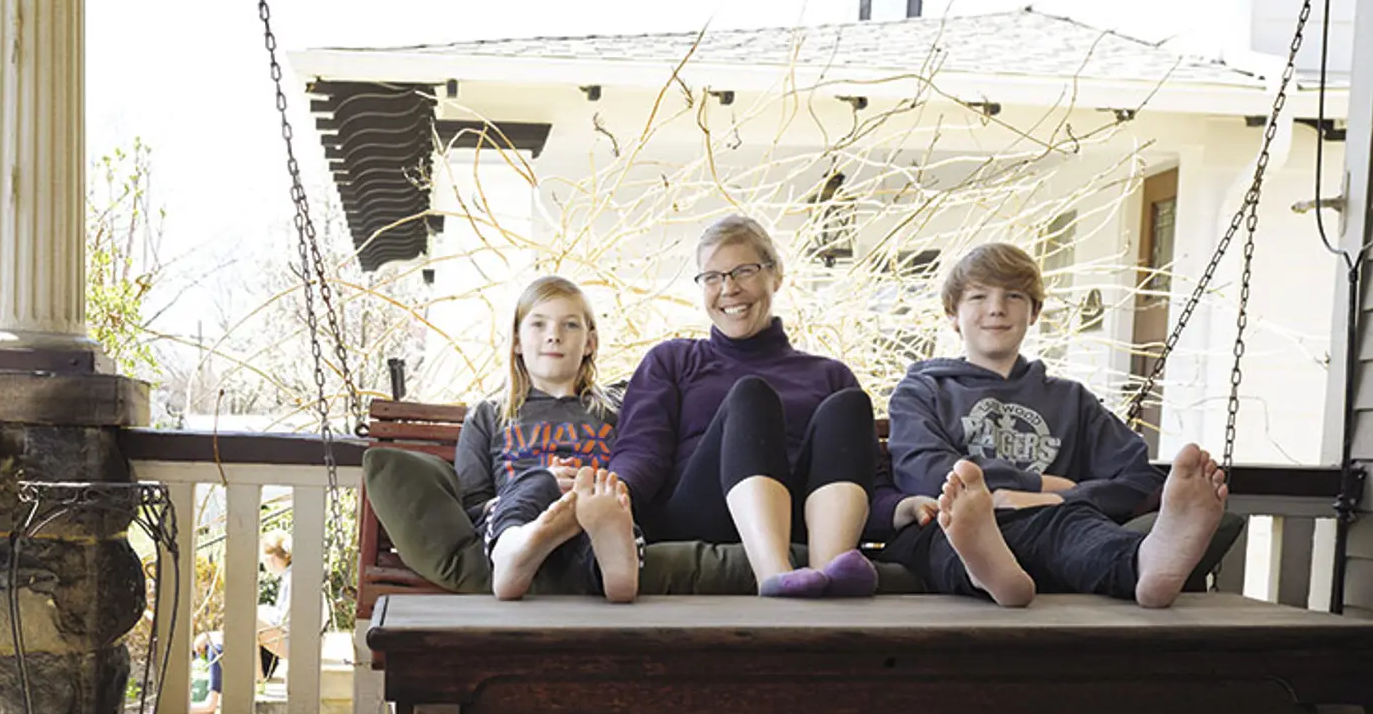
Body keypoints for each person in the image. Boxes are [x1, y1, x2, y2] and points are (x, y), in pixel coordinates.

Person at [883, 242, 1229, 608]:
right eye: (978, 297)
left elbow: (1138, 479)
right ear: (953, 314)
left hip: (1048, 523)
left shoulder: (1071, 400)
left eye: (1013, 296)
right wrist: (1032, 484)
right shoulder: (923, 391)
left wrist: (1055, 498)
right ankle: (983, 570)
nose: (997, 308)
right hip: (952, 528)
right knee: (944, 534)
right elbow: (923, 472)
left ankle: (1145, 566)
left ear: (1034, 312)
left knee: (1074, 528)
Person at [607, 213, 881, 597]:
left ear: (776, 275)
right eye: (713, 277)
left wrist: (905, 508)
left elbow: (865, 475)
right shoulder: (673, 361)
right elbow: (642, 450)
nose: (729, 288)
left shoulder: (828, 375)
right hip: (701, 512)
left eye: (744, 271)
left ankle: (829, 572)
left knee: (849, 404)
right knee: (751, 395)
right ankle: (774, 576)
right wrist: (612, 495)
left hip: (804, 517)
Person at [455, 274, 640, 602]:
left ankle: (614, 571)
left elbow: (638, 467)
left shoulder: (615, 410)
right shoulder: (489, 414)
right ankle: (517, 550)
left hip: (590, 517)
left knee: (609, 506)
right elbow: (474, 502)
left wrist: (589, 497)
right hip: (519, 517)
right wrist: (542, 484)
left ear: (590, 342)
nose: (554, 336)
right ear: (516, 341)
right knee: (538, 483)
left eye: (570, 325)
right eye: (538, 324)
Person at [192, 531, 297, 714]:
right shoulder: (290, 576)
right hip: (287, 637)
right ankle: (214, 697)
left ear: (271, 558)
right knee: (225, 635)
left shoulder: (292, 578)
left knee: (245, 619)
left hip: (292, 641)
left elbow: (286, 620)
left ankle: (253, 684)